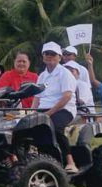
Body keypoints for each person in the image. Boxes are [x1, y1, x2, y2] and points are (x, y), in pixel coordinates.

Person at [33, 42, 78, 173]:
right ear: (43, 57)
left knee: (55, 127)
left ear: (59, 57)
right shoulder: (42, 75)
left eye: (53, 54)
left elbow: (67, 96)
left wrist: (49, 113)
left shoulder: (65, 73)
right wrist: (31, 113)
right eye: (47, 53)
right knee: (32, 129)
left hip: (64, 109)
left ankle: (70, 161)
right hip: (44, 110)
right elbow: (37, 97)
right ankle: (45, 160)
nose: (50, 56)